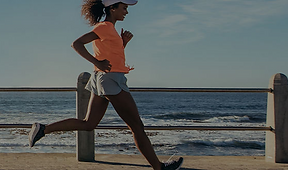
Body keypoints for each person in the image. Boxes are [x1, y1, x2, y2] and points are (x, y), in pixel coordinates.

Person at [24, 0, 183, 169]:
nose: (126, 12)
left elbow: (112, 55)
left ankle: (43, 129)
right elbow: (76, 44)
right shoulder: (104, 27)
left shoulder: (110, 29)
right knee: (137, 126)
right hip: (111, 80)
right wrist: (96, 62)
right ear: (112, 8)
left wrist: (123, 44)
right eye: (124, 8)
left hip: (103, 79)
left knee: (88, 124)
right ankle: (159, 168)